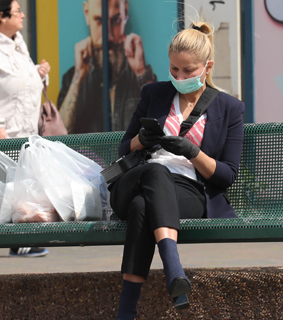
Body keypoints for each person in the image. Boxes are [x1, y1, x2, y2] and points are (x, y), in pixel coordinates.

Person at [109, 20, 245, 319]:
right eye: (174, 70)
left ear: (207, 67)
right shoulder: (153, 94)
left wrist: (193, 152)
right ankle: (172, 266)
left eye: (188, 71)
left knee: (143, 207)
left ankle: (126, 310)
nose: (179, 77)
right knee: (155, 173)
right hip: (137, 178)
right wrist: (140, 141)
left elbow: (226, 175)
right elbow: (123, 150)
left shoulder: (229, 108)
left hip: (187, 191)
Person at [0, 0, 51, 257]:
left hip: (23, 131)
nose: (23, 15)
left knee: (21, 188)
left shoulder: (17, 42)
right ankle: (19, 241)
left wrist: (39, 73)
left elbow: (20, 79)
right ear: (2, 17)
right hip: (1, 135)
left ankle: (24, 238)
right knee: (8, 190)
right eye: (17, 12)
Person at [57, 0, 157, 134]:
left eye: (116, 20)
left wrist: (141, 73)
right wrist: (78, 79)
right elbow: (57, 137)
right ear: (87, 14)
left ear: (125, 12)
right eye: (99, 20)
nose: (108, 36)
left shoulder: (141, 75)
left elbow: (161, 126)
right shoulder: (73, 78)